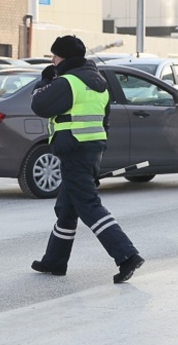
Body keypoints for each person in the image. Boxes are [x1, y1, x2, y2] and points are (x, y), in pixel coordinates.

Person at [30, 35, 144, 284]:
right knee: (66, 209)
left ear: (65, 58)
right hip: (91, 150)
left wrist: (46, 79)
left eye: (55, 56)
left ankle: (127, 255)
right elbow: (104, 120)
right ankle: (54, 261)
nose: (52, 60)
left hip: (73, 150)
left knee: (89, 205)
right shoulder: (99, 82)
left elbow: (38, 104)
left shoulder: (68, 82)